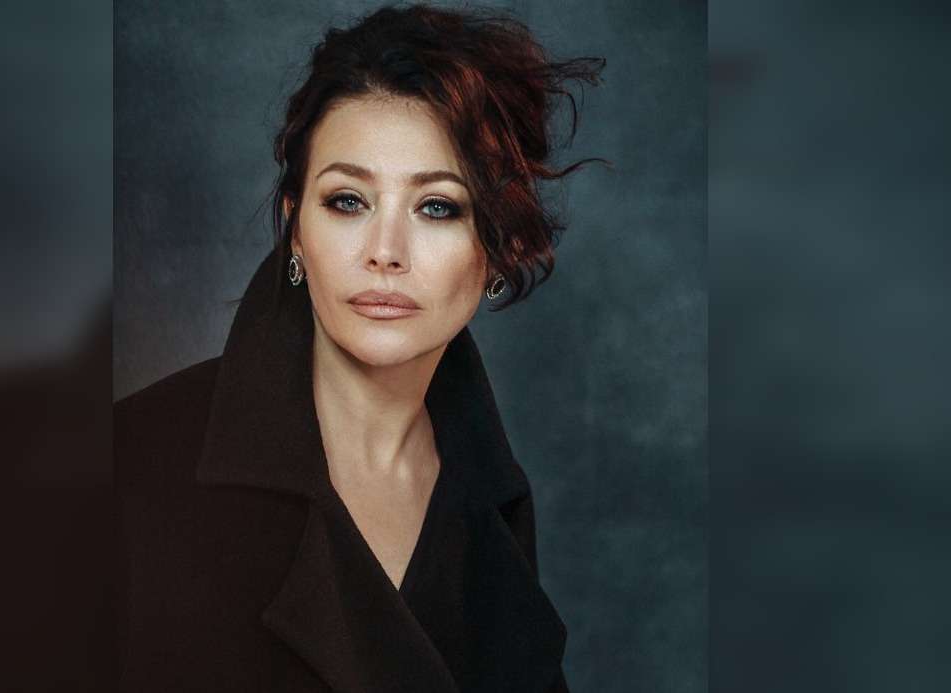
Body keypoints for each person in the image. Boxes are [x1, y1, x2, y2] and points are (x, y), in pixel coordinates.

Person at [115, 4, 607, 691]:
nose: (385, 252)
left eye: (437, 206)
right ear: (296, 229)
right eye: (348, 200)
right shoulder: (132, 458)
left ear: (499, 248)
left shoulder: (493, 504)